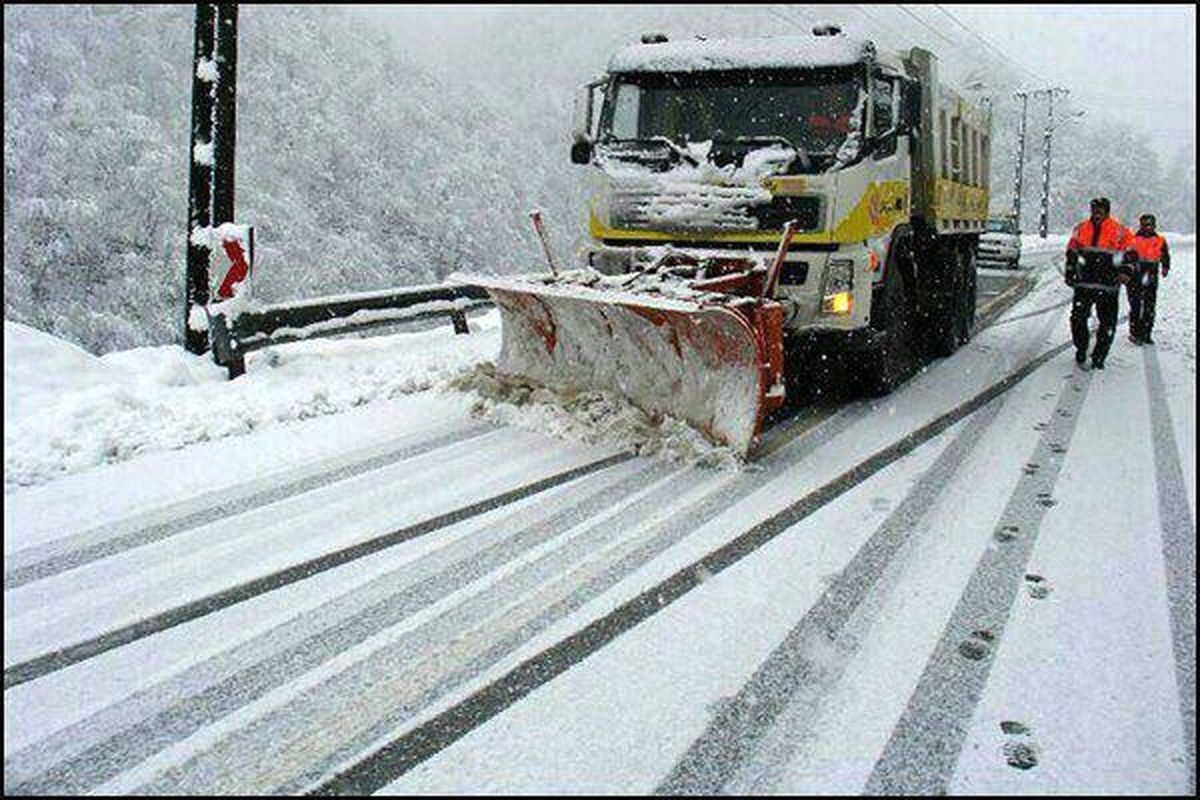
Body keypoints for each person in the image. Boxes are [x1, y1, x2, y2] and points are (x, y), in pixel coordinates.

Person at [1064, 197, 1136, 369]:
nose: (1096, 213)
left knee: (1107, 323)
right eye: (1094, 209)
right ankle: (1081, 347)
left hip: (1108, 286)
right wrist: (1070, 271)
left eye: (1100, 210)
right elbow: (1071, 252)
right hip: (1084, 284)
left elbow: (1131, 253)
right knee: (1077, 319)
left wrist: (1126, 271)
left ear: (1107, 211)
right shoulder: (1081, 229)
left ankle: (1099, 356)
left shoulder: (1120, 231)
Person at [1126, 213, 1171, 345]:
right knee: (1135, 306)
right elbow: (1126, 257)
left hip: (1151, 276)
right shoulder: (1133, 240)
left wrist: (1165, 267)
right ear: (1140, 225)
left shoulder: (1160, 240)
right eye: (1145, 224)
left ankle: (1146, 333)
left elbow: (1165, 255)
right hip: (1135, 276)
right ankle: (1135, 333)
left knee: (1149, 306)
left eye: (1150, 224)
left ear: (1154, 225)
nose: (1147, 227)